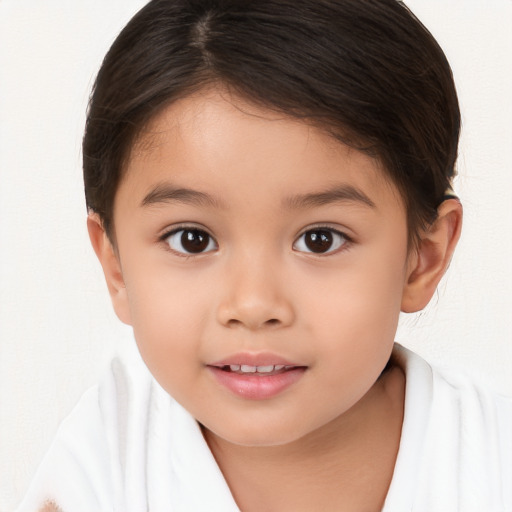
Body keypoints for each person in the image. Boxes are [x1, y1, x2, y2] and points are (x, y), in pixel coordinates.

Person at [15, 0, 511, 510]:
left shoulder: (493, 462)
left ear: (422, 258)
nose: (253, 305)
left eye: (321, 239)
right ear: (116, 266)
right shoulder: (98, 471)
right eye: (192, 239)